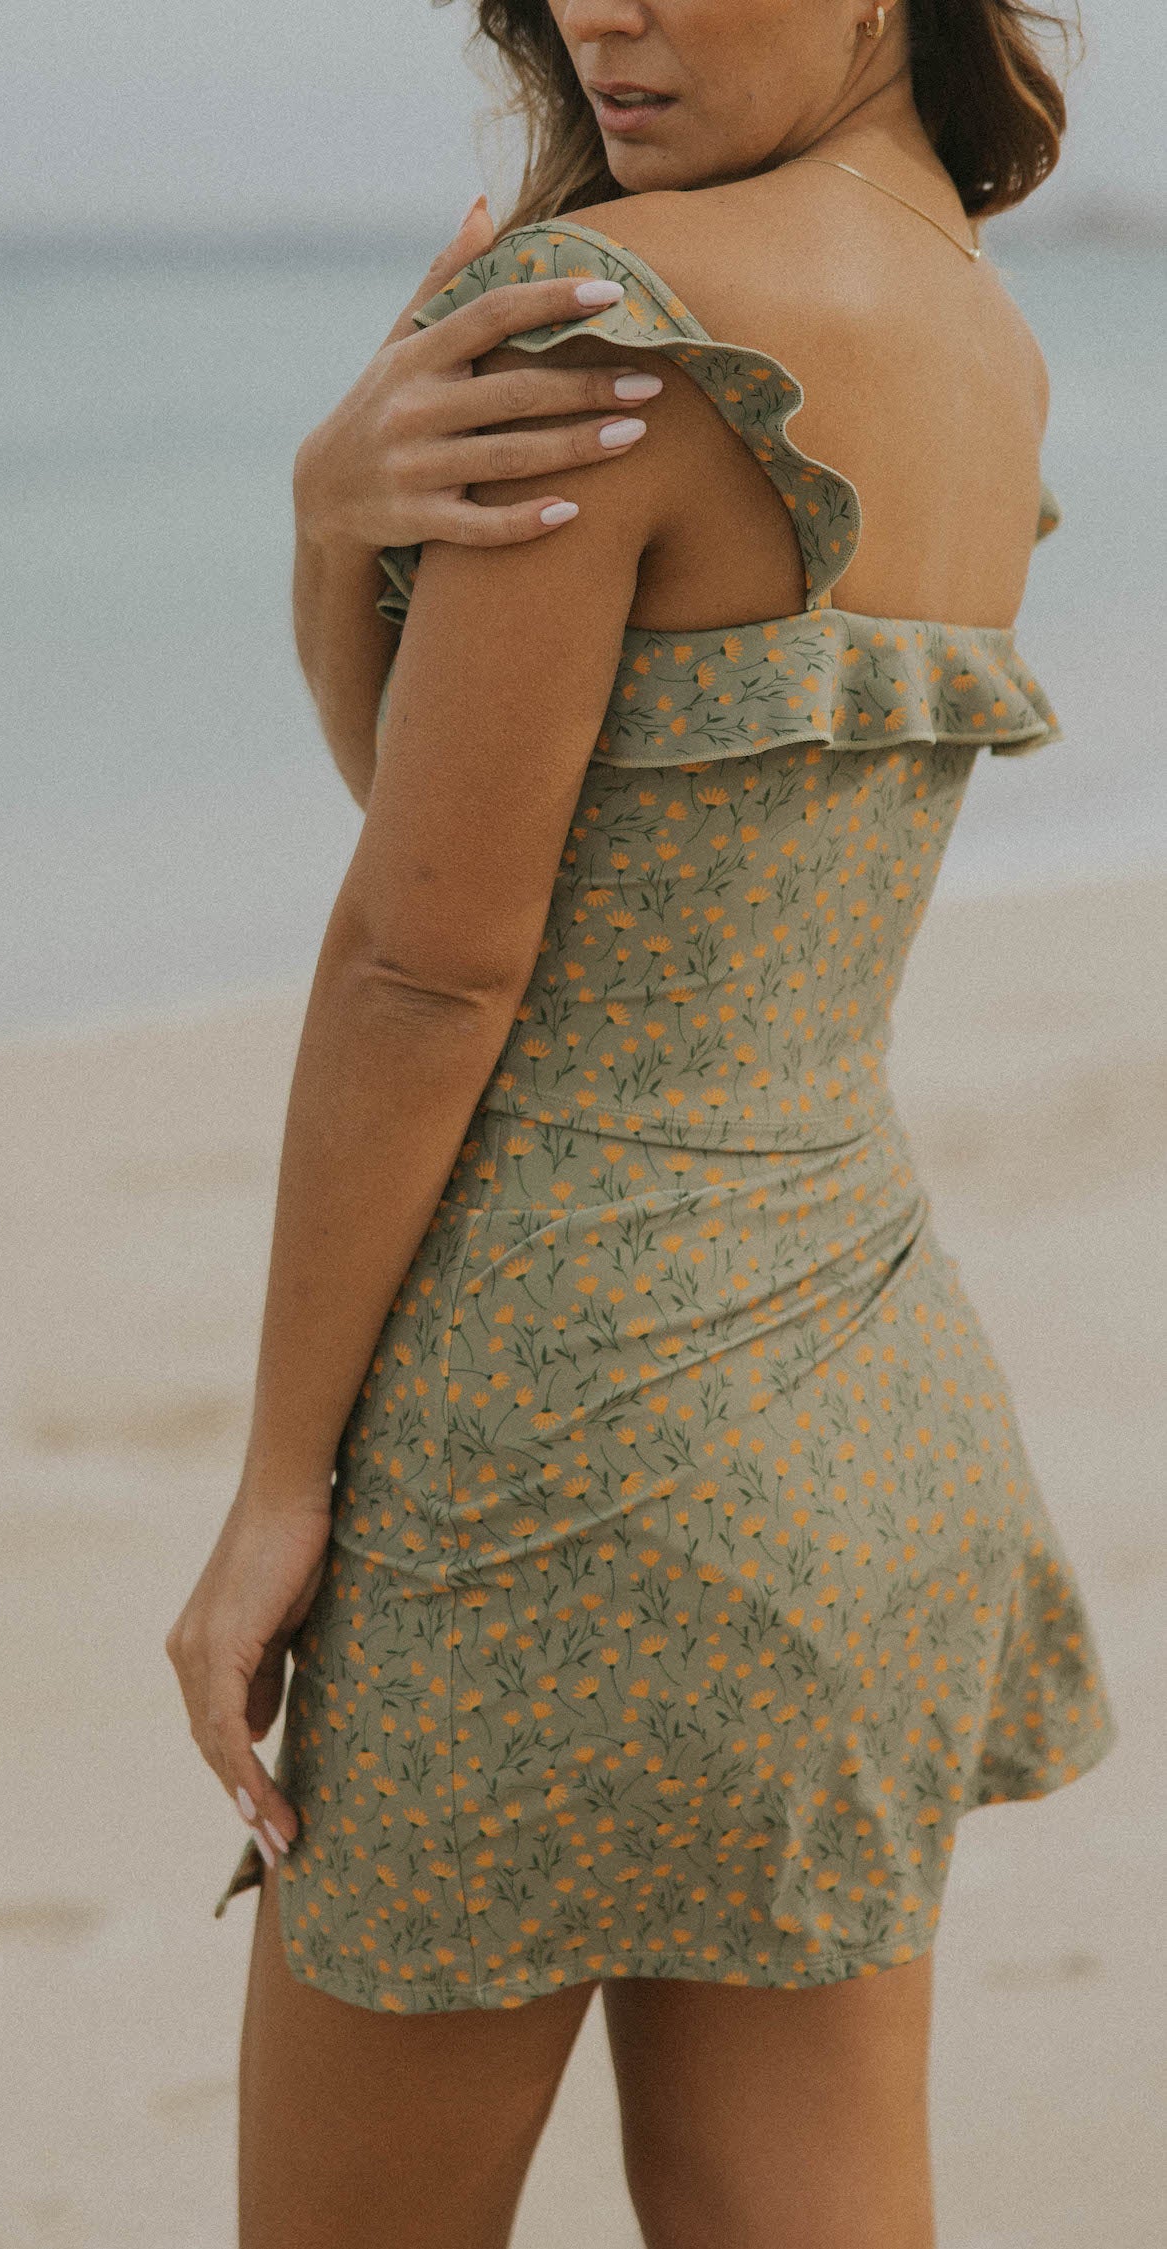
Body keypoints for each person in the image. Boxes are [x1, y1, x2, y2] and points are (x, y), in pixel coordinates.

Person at [167, 3, 1119, 2243]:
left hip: (560, 1445)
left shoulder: (607, 319)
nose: (611, 5)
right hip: (867, 1423)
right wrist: (337, 533)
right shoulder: (978, 327)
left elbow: (432, 955)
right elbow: (518, 852)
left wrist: (277, 1484)